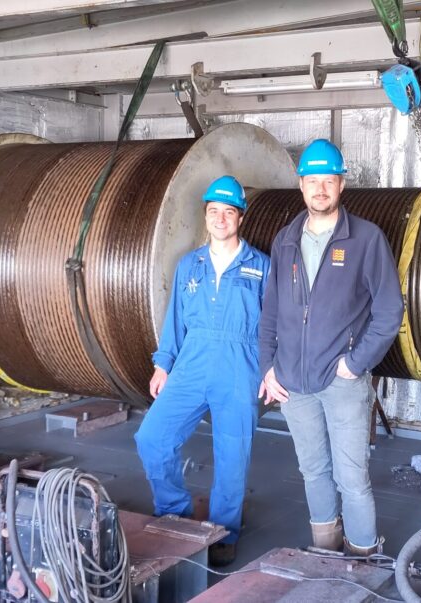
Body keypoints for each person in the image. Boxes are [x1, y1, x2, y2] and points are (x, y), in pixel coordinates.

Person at [258, 139, 403, 555]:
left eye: (329, 181)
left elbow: (390, 311)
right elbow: (270, 312)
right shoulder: (285, 239)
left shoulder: (366, 239)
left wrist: (354, 365)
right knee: (313, 471)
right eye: (312, 181)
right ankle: (325, 553)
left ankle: (362, 559)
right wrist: (268, 367)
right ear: (301, 185)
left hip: (342, 384)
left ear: (341, 185)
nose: (320, 189)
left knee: (352, 477)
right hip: (293, 383)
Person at [135, 175, 269, 567]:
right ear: (206, 216)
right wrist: (163, 365)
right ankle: (174, 512)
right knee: (152, 437)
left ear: (240, 217)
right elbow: (174, 320)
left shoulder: (261, 267)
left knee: (232, 454)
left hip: (239, 367)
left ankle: (224, 531)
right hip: (191, 364)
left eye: (229, 212)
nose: (221, 218)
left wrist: (270, 370)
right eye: (214, 212)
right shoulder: (187, 265)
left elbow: (275, 326)